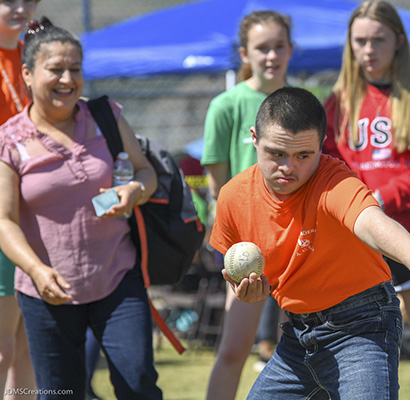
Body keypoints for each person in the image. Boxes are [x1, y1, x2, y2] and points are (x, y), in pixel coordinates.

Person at [211, 86, 410, 400]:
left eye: (303, 155)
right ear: (254, 137)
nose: (288, 167)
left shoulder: (333, 180)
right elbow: (243, 281)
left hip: (362, 326)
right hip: (297, 335)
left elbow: (372, 223)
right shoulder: (233, 197)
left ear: (322, 145)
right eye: (276, 153)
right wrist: (248, 293)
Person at [0, 18, 162, 399]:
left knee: (138, 384)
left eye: (75, 69)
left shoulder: (105, 116)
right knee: (60, 393)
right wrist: (37, 271)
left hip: (117, 279)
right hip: (47, 291)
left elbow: (145, 171)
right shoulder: (9, 141)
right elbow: (4, 221)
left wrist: (136, 189)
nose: (67, 79)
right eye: (55, 69)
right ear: (27, 73)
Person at [322, 1, 410, 398]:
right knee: (361, 346)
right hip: (357, 238)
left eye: (378, 40)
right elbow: (328, 165)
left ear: (398, 41)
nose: (368, 50)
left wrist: (379, 196)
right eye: (359, 41)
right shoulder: (337, 101)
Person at [201, 10, 293, 399]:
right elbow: (217, 184)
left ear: (290, 50)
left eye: (278, 47)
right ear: (244, 53)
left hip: (297, 243)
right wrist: (231, 239)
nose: (270, 55)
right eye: (261, 48)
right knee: (235, 348)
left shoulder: (302, 102)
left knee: (304, 349)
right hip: (247, 246)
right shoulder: (227, 105)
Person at [0, 1, 38, 398]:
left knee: (29, 348)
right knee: (2, 350)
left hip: (41, 215)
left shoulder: (35, 53)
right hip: (2, 216)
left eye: (30, 0)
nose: (21, 8)